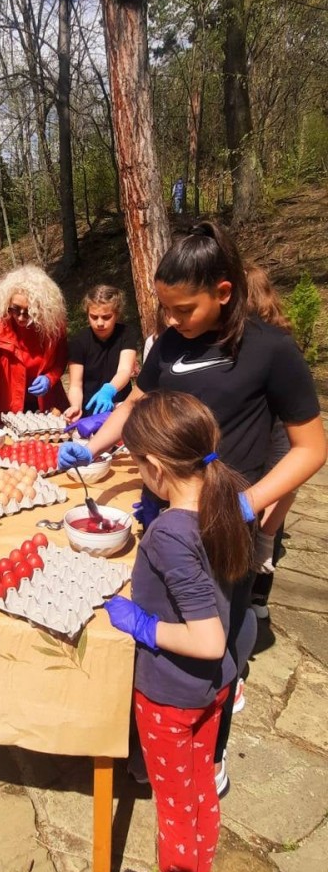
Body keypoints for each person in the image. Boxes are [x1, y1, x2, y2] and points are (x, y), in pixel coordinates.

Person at [59, 221, 326, 793]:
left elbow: (312, 448)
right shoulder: (173, 342)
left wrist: (248, 506)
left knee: (215, 646)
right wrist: (93, 446)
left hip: (228, 523)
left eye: (184, 308)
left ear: (224, 292)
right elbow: (137, 403)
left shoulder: (270, 350)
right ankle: (152, 740)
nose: (171, 321)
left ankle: (212, 751)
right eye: (165, 308)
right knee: (161, 631)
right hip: (163, 513)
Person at [105, 389, 251, 872]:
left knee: (175, 807)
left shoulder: (170, 534)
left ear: (156, 468)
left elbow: (206, 636)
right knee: (199, 795)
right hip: (214, 690)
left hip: (172, 696)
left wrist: (142, 624)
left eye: (138, 465)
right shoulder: (224, 497)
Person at [245, 263, 298, 623]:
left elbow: (290, 482)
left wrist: (264, 535)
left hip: (278, 434)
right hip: (255, 435)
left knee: (271, 509)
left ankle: (258, 592)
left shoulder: (278, 345)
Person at [0, 265, 68, 426]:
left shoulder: (53, 326)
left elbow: (60, 361)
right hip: (8, 405)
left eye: (29, 311)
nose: (21, 318)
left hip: (46, 405)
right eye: (15, 309)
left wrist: (49, 378)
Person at [65, 284, 139, 420]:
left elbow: (125, 370)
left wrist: (108, 390)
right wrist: (76, 406)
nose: (99, 323)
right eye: (94, 317)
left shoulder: (126, 334)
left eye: (106, 317)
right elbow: (76, 384)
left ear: (116, 314)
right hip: (90, 409)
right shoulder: (78, 341)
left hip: (120, 406)